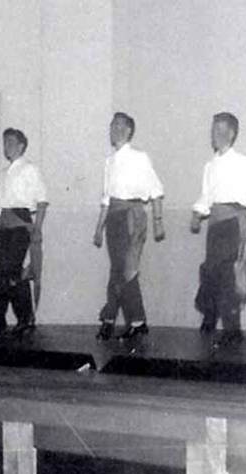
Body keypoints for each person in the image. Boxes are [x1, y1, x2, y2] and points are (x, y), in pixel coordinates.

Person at [191, 112, 246, 346]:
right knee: (210, 271)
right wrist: (197, 213)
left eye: (222, 131)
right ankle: (210, 317)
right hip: (215, 225)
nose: (216, 135)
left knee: (230, 275)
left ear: (232, 134)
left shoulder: (243, 162)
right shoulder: (210, 166)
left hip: (234, 223)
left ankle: (233, 329)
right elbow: (206, 196)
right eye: (214, 130)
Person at [93, 112, 165, 341]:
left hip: (132, 217)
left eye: (119, 126)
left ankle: (136, 321)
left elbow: (156, 191)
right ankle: (111, 320)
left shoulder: (139, 157)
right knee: (116, 271)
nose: (113, 130)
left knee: (127, 271)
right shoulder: (109, 161)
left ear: (128, 131)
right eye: (112, 125)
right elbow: (106, 199)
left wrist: (158, 221)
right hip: (114, 218)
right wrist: (98, 228)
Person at [0, 128, 48, 337]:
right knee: (2, 276)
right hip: (5, 228)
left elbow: (42, 201)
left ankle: (24, 319)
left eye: (11, 142)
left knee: (10, 273)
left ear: (21, 146)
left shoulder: (30, 169)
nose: (6, 146)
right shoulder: (3, 173)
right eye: (5, 142)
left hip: (21, 226)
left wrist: (37, 229)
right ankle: (1, 320)